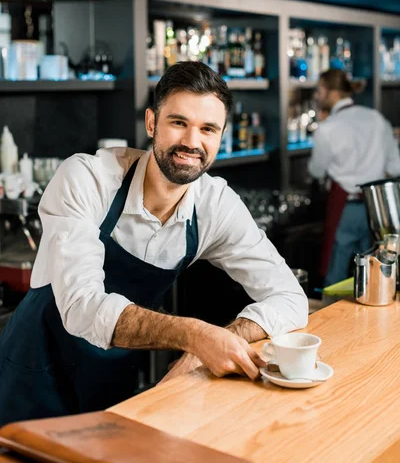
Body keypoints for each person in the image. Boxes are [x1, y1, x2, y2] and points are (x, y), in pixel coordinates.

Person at [0, 61, 307, 425]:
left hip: (110, 380)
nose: (193, 142)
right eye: (179, 123)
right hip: (34, 375)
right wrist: (193, 336)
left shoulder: (215, 206)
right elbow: (82, 308)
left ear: (221, 137)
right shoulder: (88, 179)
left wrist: (217, 342)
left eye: (208, 129)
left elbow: (290, 299)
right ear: (151, 123)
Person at [308, 69, 400, 287]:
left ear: (332, 93)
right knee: (374, 276)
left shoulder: (327, 129)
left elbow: (316, 171)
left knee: (336, 276)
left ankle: (332, 319)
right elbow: (396, 166)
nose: (316, 96)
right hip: (378, 209)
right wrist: (372, 172)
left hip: (345, 210)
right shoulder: (376, 119)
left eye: (319, 90)